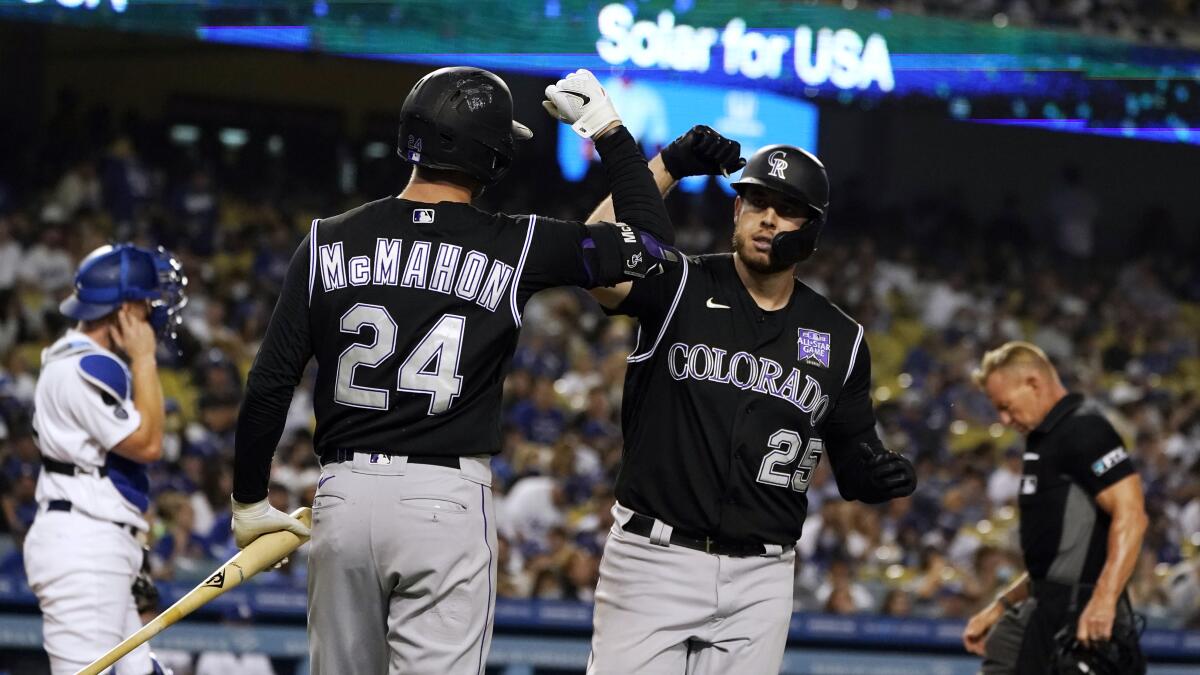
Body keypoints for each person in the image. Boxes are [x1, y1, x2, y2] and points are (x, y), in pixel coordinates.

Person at [230, 66, 677, 674]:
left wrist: (250, 498)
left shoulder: (327, 239)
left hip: (343, 495)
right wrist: (609, 132)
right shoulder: (517, 242)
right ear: (490, 157)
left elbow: (270, 382)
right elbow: (650, 249)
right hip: (444, 500)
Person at [582, 132, 917, 673]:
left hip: (763, 576)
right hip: (654, 558)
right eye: (757, 202)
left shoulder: (840, 337)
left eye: (787, 210)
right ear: (736, 209)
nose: (767, 219)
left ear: (811, 231)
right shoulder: (680, 280)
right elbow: (593, 257)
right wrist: (666, 166)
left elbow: (855, 455)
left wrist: (876, 473)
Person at [23, 243, 185, 674]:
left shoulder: (74, 361)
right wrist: (145, 357)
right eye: (145, 303)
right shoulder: (84, 366)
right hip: (84, 546)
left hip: (96, 541)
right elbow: (149, 444)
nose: (153, 313)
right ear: (124, 311)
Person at [962, 341, 1148, 674]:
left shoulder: (1084, 429)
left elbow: (1132, 514)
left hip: (1082, 616)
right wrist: (1000, 606)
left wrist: (1104, 600)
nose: (1003, 420)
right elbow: (1056, 561)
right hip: (1046, 612)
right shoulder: (1045, 440)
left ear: (1033, 383)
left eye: (1006, 406)